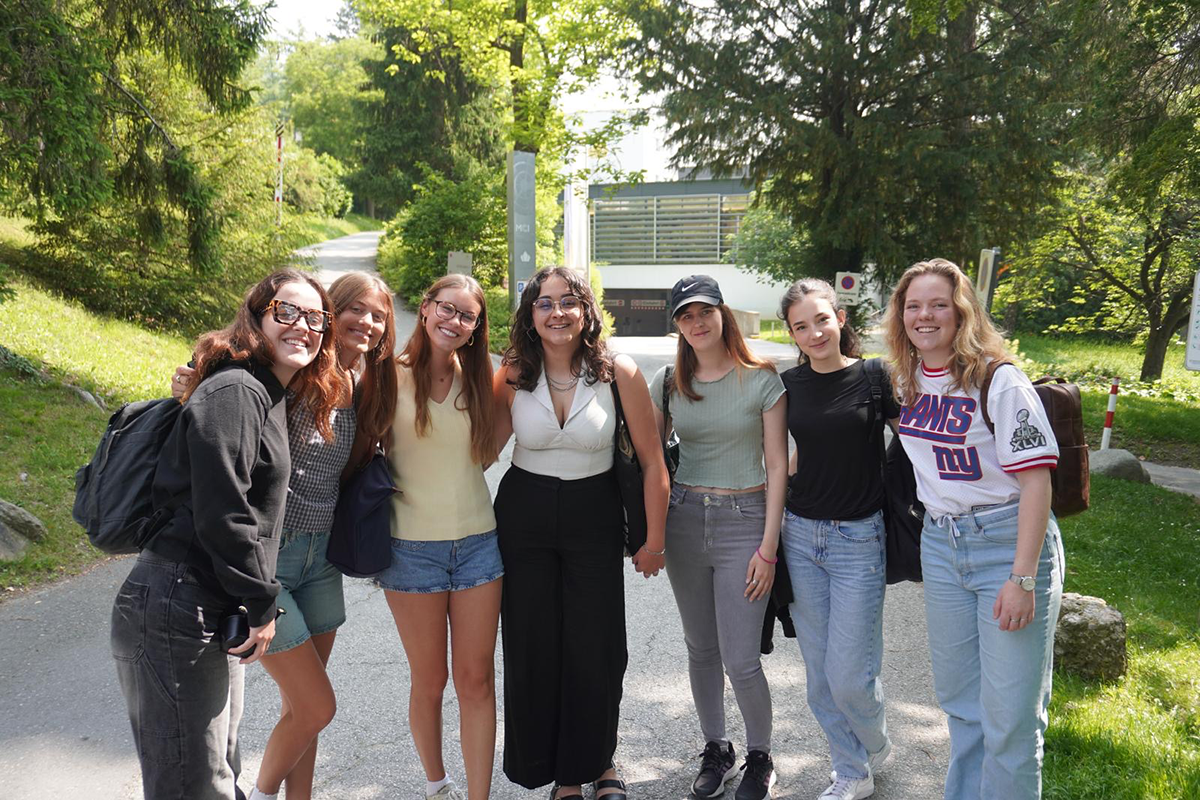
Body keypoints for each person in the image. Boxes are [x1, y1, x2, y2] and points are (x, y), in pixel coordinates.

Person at [112, 268, 341, 800]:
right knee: (196, 783)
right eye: (287, 311)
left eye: (315, 318)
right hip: (175, 600)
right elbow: (224, 511)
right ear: (256, 316)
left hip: (203, 603)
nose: (302, 326)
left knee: (217, 772)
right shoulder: (237, 389)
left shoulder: (266, 391)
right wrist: (261, 603)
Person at [170, 271, 399, 800]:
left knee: (303, 711)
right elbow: (226, 397)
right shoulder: (292, 371)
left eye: (379, 316)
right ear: (329, 312)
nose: (366, 323)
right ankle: (261, 793)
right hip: (273, 557)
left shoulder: (364, 383)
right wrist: (189, 385)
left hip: (321, 560)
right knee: (319, 705)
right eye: (355, 310)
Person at [883, 258, 1064, 800]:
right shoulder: (905, 380)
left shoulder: (998, 380)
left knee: (1010, 719)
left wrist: (1024, 578)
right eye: (913, 306)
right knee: (962, 707)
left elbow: (1037, 485)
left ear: (962, 311)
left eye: (939, 304)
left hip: (1008, 546)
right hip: (942, 546)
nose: (925, 315)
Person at [492, 267, 669, 800]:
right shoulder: (512, 374)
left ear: (586, 310)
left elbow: (653, 460)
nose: (556, 312)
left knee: (597, 647)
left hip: (594, 512)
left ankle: (600, 762)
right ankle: (560, 774)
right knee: (533, 645)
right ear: (530, 315)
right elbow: (479, 451)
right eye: (544, 304)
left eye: (568, 301)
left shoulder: (619, 372)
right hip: (524, 515)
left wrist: (653, 540)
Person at [648, 275, 787, 800]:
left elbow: (777, 464)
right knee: (700, 648)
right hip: (685, 520)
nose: (697, 322)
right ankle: (717, 748)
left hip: (745, 521)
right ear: (678, 327)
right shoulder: (669, 380)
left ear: (723, 314)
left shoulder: (762, 379)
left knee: (741, 657)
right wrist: (652, 534)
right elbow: (649, 456)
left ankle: (760, 756)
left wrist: (768, 548)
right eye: (685, 316)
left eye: (705, 311)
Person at [374, 273, 501, 800]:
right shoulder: (383, 375)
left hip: (479, 544)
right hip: (409, 550)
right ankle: (436, 784)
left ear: (475, 329)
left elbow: (490, 450)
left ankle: (478, 796)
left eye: (467, 316)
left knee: (476, 681)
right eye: (447, 309)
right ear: (425, 310)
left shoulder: (484, 380)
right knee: (430, 682)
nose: (455, 321)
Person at [776, 279, 895, 800]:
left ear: (840, 318)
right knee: (820, 677)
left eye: (820, 320)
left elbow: (917, 442)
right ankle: (850, 770)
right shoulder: (788, 386)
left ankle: (873, 739)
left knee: (850, 676)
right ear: (792, 334)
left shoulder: (874, 377)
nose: (813, 332)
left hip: (859, 541)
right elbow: (788, 455)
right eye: (800, 326)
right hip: (800, 535)